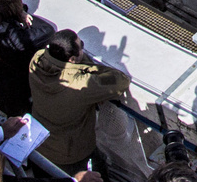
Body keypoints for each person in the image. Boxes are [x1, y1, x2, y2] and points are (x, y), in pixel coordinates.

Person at [27, 30, 130, 173]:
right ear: (72, 60)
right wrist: (87, 67)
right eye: (81, 45)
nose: (83, 47)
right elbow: (120, 80)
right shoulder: (81, 83)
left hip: (42, 143)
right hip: (72, 155)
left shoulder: (37, 60)